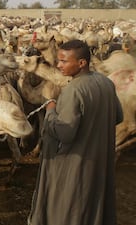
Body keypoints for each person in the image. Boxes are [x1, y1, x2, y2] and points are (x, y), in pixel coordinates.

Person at [28, 40, 123, 225]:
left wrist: (50, 111)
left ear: (81, 63)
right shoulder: (106, 82)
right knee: (93, 203)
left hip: (75, 163)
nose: (58, 65)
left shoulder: (73, 90)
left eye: (64, 61)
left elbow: (65, 133)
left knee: (69, 206)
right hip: (99, 161)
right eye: (58, 60)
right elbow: (117, 117)